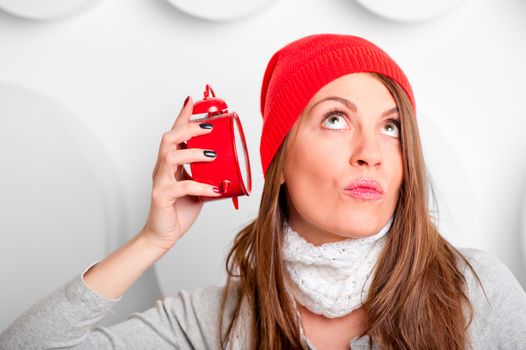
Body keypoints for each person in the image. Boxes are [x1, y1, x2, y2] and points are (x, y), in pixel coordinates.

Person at [1, 33, 525, 350]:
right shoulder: (216, 321)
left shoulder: (476, 290)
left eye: (391, 127)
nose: (372, 151)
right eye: (337, 119)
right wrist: (151, 242)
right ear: (281, 162)